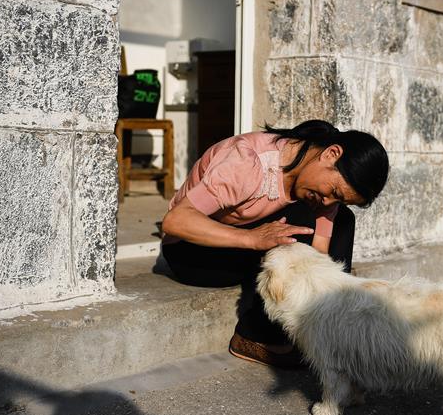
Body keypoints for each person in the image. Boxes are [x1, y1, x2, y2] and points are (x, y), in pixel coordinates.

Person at [160, 119, 390, 369]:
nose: (328, 201)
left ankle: (324, 328)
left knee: (343, 220)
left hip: (242, 251)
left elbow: (320, 255)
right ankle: (256, 336)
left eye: (339, 198)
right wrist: (252, 238)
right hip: (193, 253)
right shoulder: (247, 161)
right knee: (298, 220)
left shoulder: (321, 194)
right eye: (333, 191)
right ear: (331, 154)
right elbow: (175, 221)